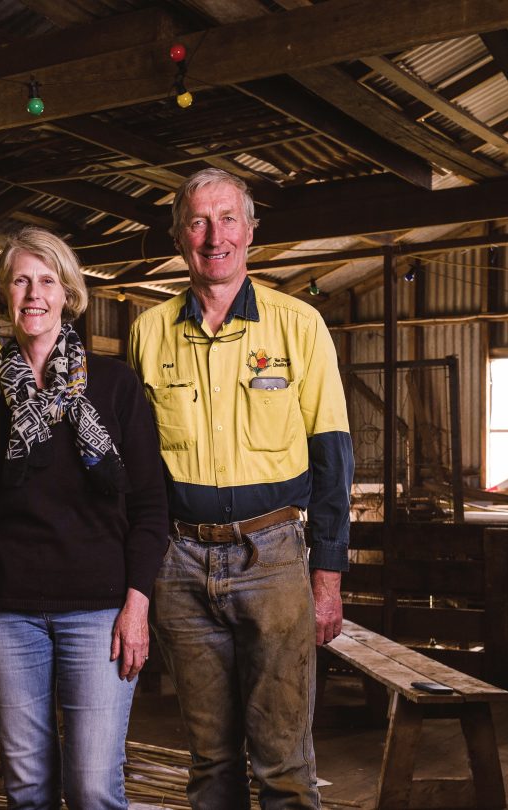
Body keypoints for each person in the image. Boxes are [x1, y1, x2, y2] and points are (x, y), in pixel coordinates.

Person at [127, 169, 354, 809]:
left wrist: (328, 575)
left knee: (283, 763)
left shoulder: (298, 325)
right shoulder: (150, 332)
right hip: (180, 561)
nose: (213, 236)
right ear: (179, 237)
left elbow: (333, 458)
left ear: (251, 231)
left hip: (275, 556)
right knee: (210, 764)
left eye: (228, 219)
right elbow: (137, 474)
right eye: (197, 222)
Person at [0, 227, 168, 809]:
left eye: (47, 280)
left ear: (68, 293)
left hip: (99, 610)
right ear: (3, 293)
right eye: (21, 280)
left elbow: (150, 504)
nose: (34, 293)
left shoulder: (115, 387)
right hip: (6, 613)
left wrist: (137, 602)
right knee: (27, 789)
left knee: (94, 785)